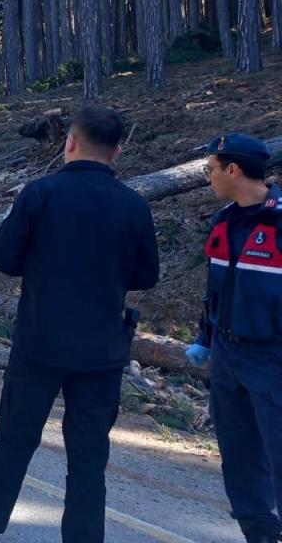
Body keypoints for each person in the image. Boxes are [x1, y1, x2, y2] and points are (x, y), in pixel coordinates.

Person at [0, 106, 160, 543]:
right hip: (102, 352)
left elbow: (4, 258)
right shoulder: (133, 205)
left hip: (39, 344)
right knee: (87, 460)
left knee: (13, 444)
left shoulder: (40, 193)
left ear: (69, 141)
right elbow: (146, 276)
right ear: (117, 151)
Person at [185, 133, 281, 543]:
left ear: (234, 170)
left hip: (273, 360)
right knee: (239, 456)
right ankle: (258, 534)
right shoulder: (224, 220)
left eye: (211, 170)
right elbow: (216, 290)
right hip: (226, 355)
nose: (208, 178)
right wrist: (205, 338)